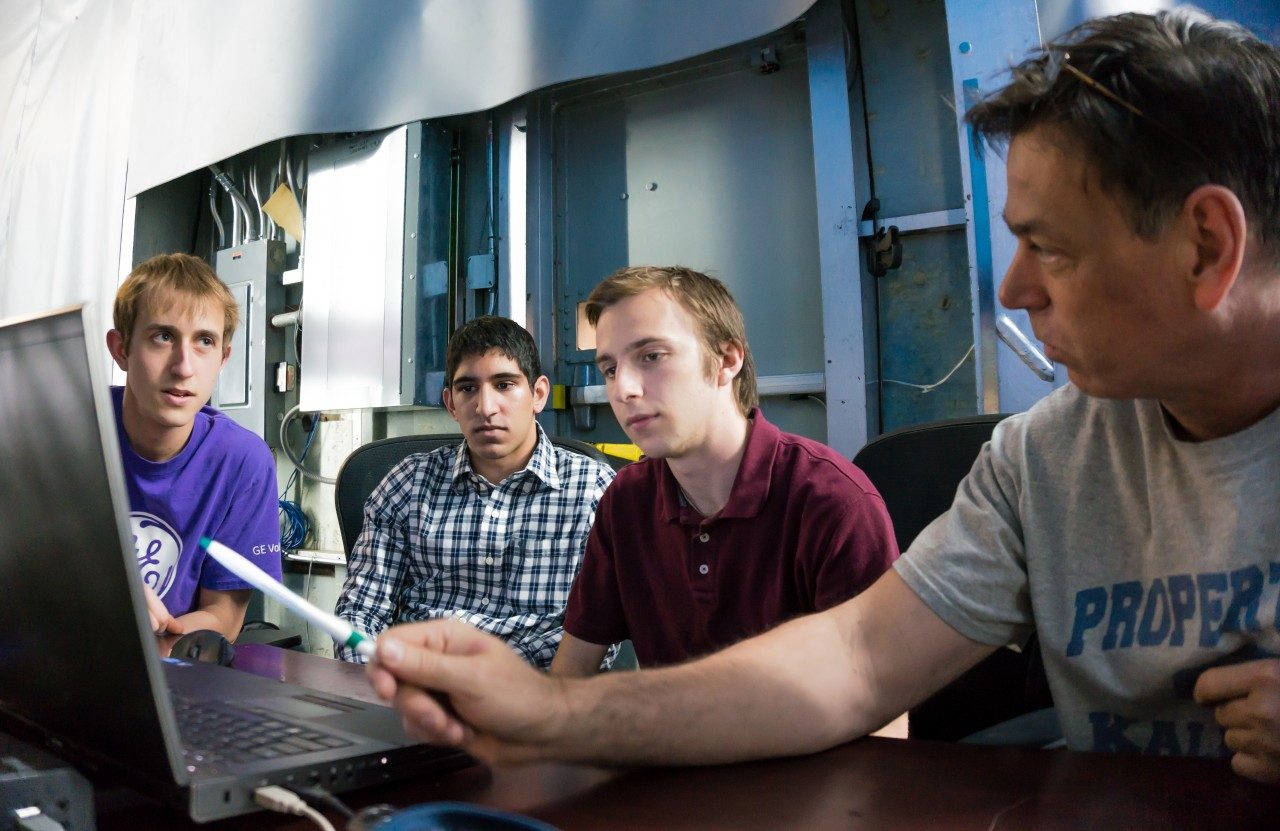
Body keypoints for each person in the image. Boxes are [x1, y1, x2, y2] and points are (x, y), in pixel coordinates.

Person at [362, 9, 1280, 783]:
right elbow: (855, 658)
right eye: (609, 365)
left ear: (1204, 247)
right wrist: (551, 711)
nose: (1014, 290)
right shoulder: (1042, 457)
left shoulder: (827, 494)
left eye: (1056, 249)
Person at [550, 266, 897, 675]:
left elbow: (882, 696)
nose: (623, 389)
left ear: (726, 360)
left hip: (804, 741)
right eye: (610, 369)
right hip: (672, 738)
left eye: (652, 356)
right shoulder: (625, 501)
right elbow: (573, 668)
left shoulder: (832, 502)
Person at [334, 316, 615, 668]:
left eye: (505, 384)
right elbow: (360, 611)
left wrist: (485, 679)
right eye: (468, 389)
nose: (485, 407)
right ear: (451, 403)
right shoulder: (407, 484)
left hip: (539, 695)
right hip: (413, 689)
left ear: (538, 394)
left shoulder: (592, 490)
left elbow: (600, 635)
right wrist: (378, 681)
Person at [107, 253, 281, 641]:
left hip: (163, 668)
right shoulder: (70, 428)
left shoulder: (243, 462)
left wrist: (142, 632)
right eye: (163, 337)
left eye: (204, 341)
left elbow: (223, 618)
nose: (184, 366)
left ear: (223, 359)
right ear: (121, 349)